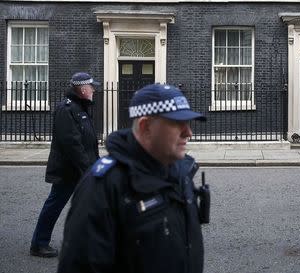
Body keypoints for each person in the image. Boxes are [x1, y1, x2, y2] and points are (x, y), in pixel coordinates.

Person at [57, 84, 208, 273]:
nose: (188, 133)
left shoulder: (180, 171)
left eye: (189, 124)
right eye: (177, 124)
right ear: (145, 127)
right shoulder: (103, 186)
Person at [30, 72, 100, 257]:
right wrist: (88, 169)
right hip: (68, 171)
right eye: (92, 87)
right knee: (54, 205)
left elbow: (87, 143)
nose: (94, 90)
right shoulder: (66, 109)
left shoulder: (81, 108)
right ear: (83, 89)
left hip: (81, 169)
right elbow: (72, 144)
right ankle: (39, 244)